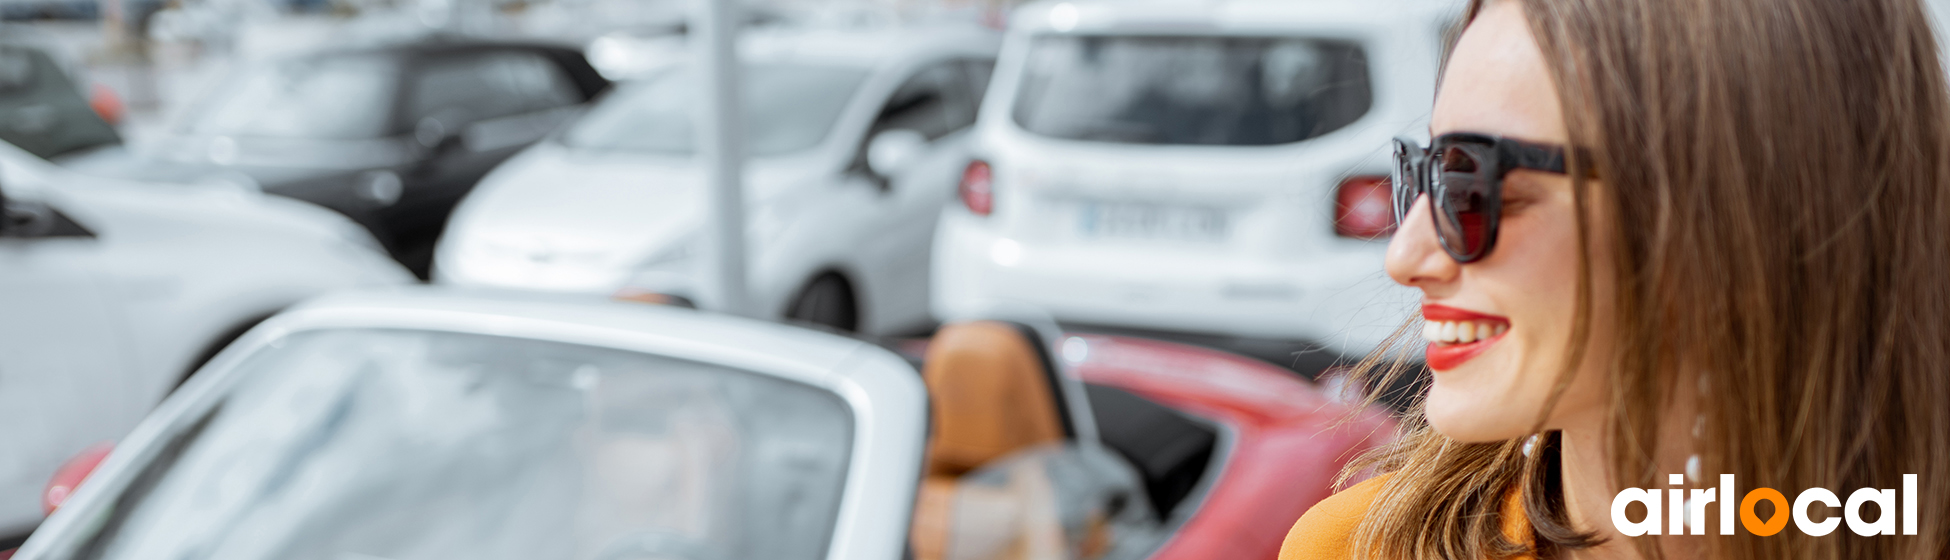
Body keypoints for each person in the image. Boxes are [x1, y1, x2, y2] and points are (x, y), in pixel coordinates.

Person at [1279, 0, 1950, 558]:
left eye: (1469, 181)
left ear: (1735, 213)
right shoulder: (1364, 546)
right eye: (1424, 172)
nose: (1406, 255)